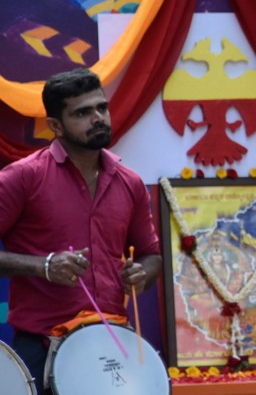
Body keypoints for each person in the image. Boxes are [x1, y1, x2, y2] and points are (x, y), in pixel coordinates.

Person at [0, 68, 161, 394]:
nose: (98, 118)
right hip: (41, 347)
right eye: (83, 113)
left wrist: (141, 273)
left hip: (113, 344)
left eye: (101, 108)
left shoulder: (129, 182)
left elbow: (152, 255)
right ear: (56, 127)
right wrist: (44, 266)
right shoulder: (23, 177)